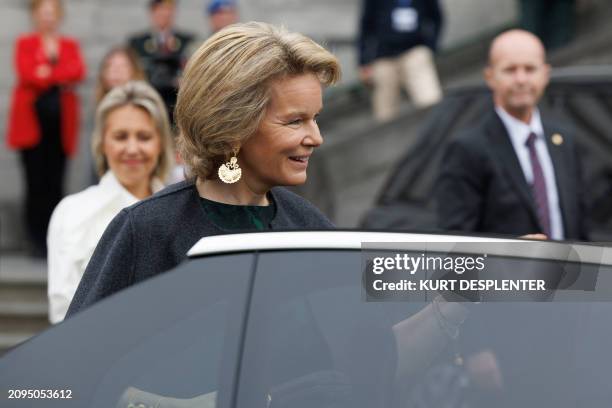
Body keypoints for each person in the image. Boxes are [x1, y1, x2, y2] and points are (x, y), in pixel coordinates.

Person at [66, 22, 341, 317]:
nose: (316, 137)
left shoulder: (311, 228)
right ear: (233, 126)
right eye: (295, 121)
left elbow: (369, 336)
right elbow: (78, 353)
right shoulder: (146, 230)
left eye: (315, 118)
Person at [435, 29, 588, 241]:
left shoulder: (564, 140)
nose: (521, 79)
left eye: (530, 68)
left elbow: (580, 224)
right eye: (510, 69)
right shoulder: (467, 149)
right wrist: (508, 255)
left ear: (545, 74)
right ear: (490, 77)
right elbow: (454, 242)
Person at [48, 81, 173, 323]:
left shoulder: (182, 209)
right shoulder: (72, 212)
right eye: (120, 136)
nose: (132, 148)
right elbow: (63, 312)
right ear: (103, 143)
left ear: (161, 144)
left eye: (144, 137)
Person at [6, 0, 86, 257]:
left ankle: (54, 239)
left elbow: (78, 70)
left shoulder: (68, 45)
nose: (48, 18)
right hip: (32, 127)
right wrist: (59, 75)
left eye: (52, 13)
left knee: (56, 182)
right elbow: (27, 73)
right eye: (43, 13)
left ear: (59, 16)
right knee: (34, 183)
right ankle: (35, 239)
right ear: (35, 15)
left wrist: (47, 73)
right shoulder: (25, 43)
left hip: (59, 126)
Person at [358, 0, 443, 122]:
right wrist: (363, 62)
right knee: (385, 112)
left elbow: (437, 17)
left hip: (414, 51)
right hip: (384, 57)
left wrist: (430, 46)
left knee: (429, 99)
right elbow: (365, 27)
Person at [128, 0, 194, 123]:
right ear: (151, 12)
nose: (164, 13)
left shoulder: (187, 41)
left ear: (174, 11)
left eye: (167, 9)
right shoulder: (137, 42)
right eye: (159, 9)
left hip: (178, 105)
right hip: (148, 102)